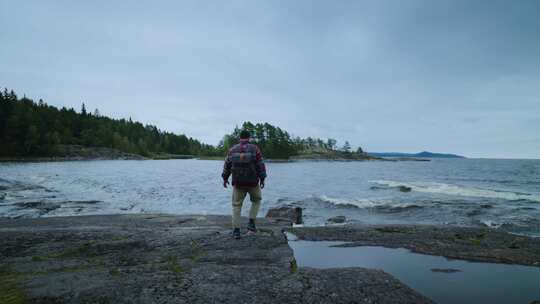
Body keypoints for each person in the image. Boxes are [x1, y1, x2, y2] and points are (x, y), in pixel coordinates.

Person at [222, 129, 267, 239]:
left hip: (238, 183)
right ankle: (251, 224)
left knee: (236, 205)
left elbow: (227, 165)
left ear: (240, 138)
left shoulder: (232, 150)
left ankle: (236, 231)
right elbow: (260, 165)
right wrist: (262, 179)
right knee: (257, 200)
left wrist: (225, 178)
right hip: (252, 182)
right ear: (249, 138)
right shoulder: (254, 149)